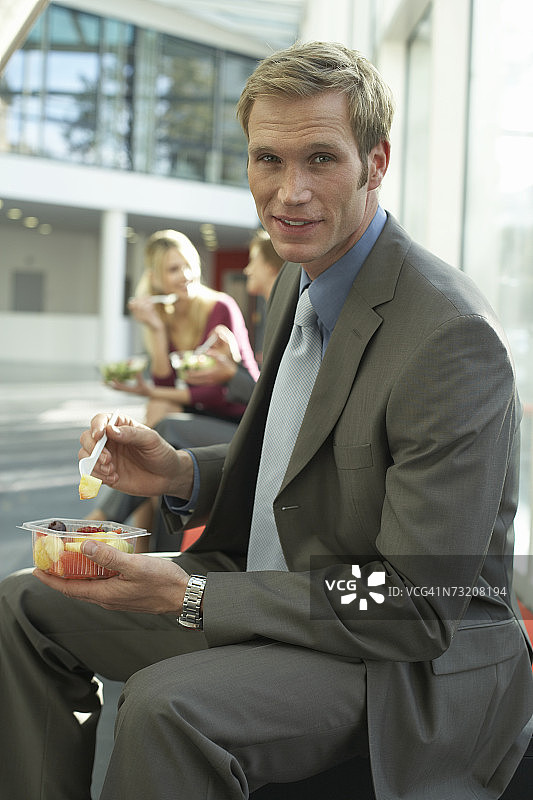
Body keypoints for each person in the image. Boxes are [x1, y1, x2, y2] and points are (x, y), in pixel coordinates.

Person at [1, 40, 532, 800]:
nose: (289, 192)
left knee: (165, 708)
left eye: (320, 158)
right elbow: (310, 461)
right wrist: (181, 472)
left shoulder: (449, 337)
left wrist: (189, 595)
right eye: (267, 160)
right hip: (278, 591)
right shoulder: (298, 279)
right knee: (23, 605)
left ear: (376, 162)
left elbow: (416, 602)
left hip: (400, 664)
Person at [88, 228, 259, 535]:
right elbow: (167, 383)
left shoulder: (220, 307)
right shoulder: (164, 316)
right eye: (173, 269)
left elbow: (217, 393)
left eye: (189, 265)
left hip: (240, 421)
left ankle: (102, 518)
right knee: (159, 409)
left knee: (163, 426)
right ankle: (136, 539)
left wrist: (149, 390)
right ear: (155, 278)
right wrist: (156, 328)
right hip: (204, 416)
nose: (186, 276)